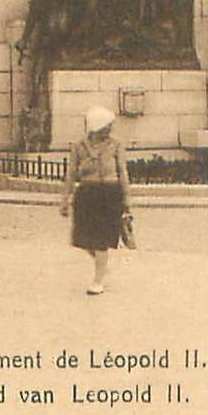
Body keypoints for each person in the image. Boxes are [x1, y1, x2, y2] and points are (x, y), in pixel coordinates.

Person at [61, 106, 131, 296]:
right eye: (107, 126)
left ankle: (98, 280)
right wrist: (65, 199)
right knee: (82, 239)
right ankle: (103, 265)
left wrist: (127, 200)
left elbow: (122, 172)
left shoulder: (116, 145)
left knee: (101, 240)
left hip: (109, 193)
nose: (110, 129)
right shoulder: (78, 146)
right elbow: (71, 173)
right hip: (86, 194)